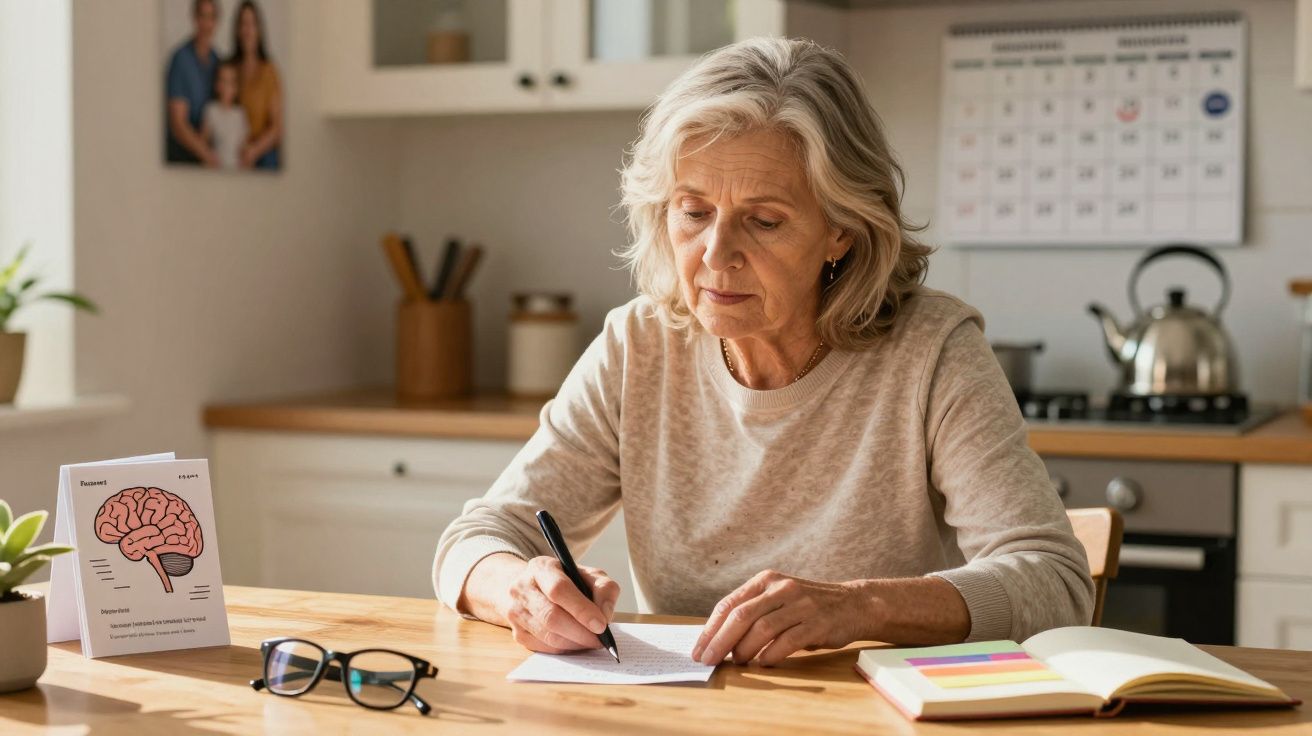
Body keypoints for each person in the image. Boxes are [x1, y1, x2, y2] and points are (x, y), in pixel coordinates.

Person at [434, 37, 1094, 667]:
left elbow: (1057, 585)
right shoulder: (638, 346)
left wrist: (859, 607)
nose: (716, 255)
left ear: (841, 230)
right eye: (693, 212)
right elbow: (475, 541)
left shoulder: (933, 353)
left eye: (764, 220)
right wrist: (519, 589)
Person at [165, 0, 221, 166]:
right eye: (202, 17)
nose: (206, 24)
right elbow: (178, 123)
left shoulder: (218, 61)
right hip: (183, 154)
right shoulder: (181, 59)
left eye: (211, 17)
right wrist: (207, 154)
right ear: (194, 19)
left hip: (210, 150)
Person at [230, 0, 283, 170]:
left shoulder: (269, 71)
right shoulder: (230, 69)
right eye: (243, 24)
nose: (247, 30)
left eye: (252, 24)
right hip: (234, 148)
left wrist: (254, 150)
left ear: (259, 30)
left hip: (261, 152)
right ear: (237, 30)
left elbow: (277, 127)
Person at [202, 63, 248, 170]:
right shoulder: (211, 110)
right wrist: (208, 157)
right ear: (217, 85)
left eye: (231, 82)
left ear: (236, 88)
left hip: (237, 169)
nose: (227, 86)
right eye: (223, 81)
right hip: (216, 167)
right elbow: (203, 141)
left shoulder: (240, 113)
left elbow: (244, 144)